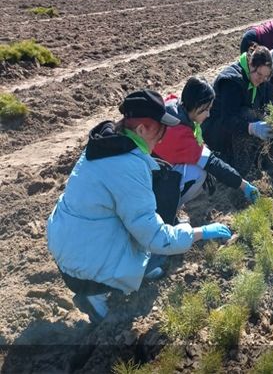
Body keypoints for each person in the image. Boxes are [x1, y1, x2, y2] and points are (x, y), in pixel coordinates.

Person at [47, 89, 233, 323]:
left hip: (68, 242)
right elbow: (155, 237)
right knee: (159, 250)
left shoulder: (106, 141)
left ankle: (122, 274)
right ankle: (95, 295)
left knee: (150, 229)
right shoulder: (127, 166)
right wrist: (199, 232)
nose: (163, 139)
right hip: (82, 267)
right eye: (159, 133)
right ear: (142, 129)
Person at [153, 77, 260, 206]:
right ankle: (166, 208)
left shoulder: (174, 105)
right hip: (150, 179)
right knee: (199, 173)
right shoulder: (180, 133)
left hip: (149, 168)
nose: (208, 114)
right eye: (206, 109)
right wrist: (244, 185)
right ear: (197, 106)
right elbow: (211, 162)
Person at [202, 45, 273, 175]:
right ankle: (234, 164)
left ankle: (258, 157)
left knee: (260, 117)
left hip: (236, 126)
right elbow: (227, 120)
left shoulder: (261, 81)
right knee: (249, 115)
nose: (261, 80)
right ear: (251, 65)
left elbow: (268, 111)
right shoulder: (232, 82)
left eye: (265, 77)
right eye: (259, 74)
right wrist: (251, 128)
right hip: (215, 130)